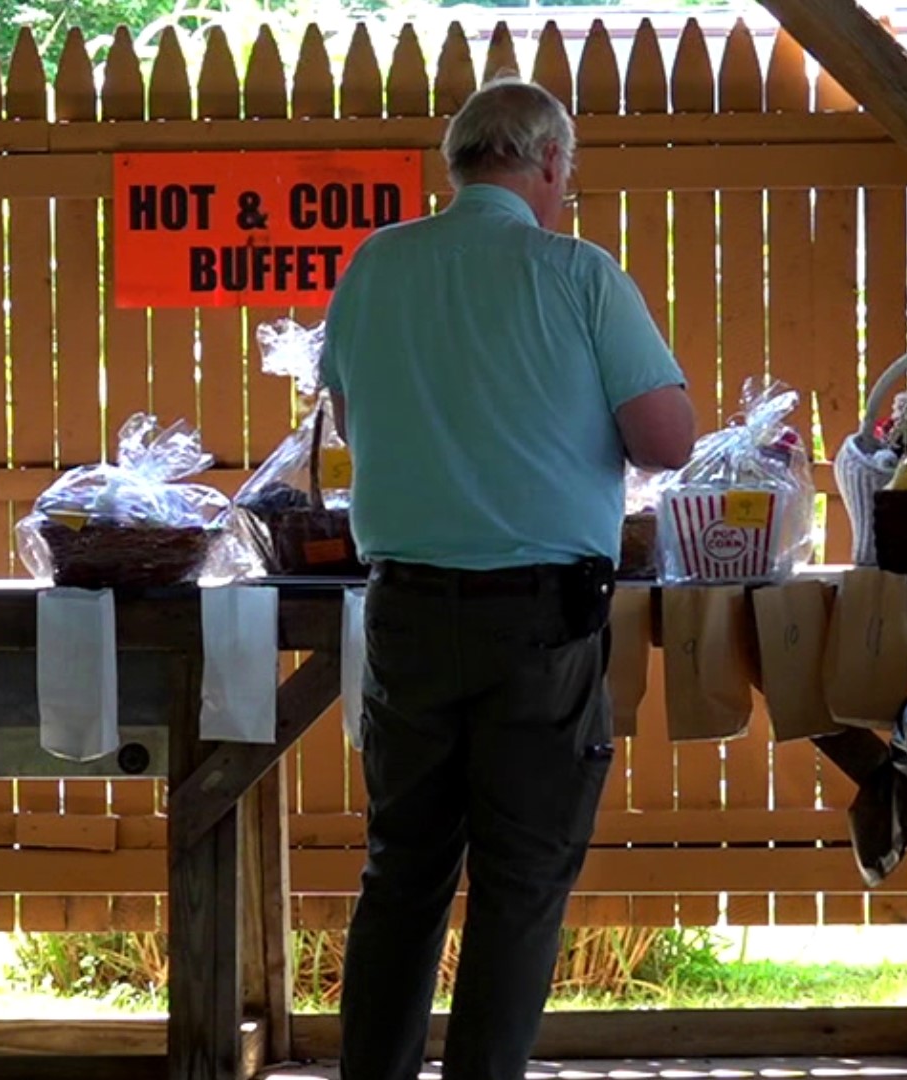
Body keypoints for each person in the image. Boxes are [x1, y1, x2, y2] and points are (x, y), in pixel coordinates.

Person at [318, 74, 696, 1080]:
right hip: (538, 619)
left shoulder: (376, 266)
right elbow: (666, 441)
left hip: (404, 608)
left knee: (402, 872)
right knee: (521, 881)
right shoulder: (577, 275)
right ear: (549, 163)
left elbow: (355, 424)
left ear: (459, 166)